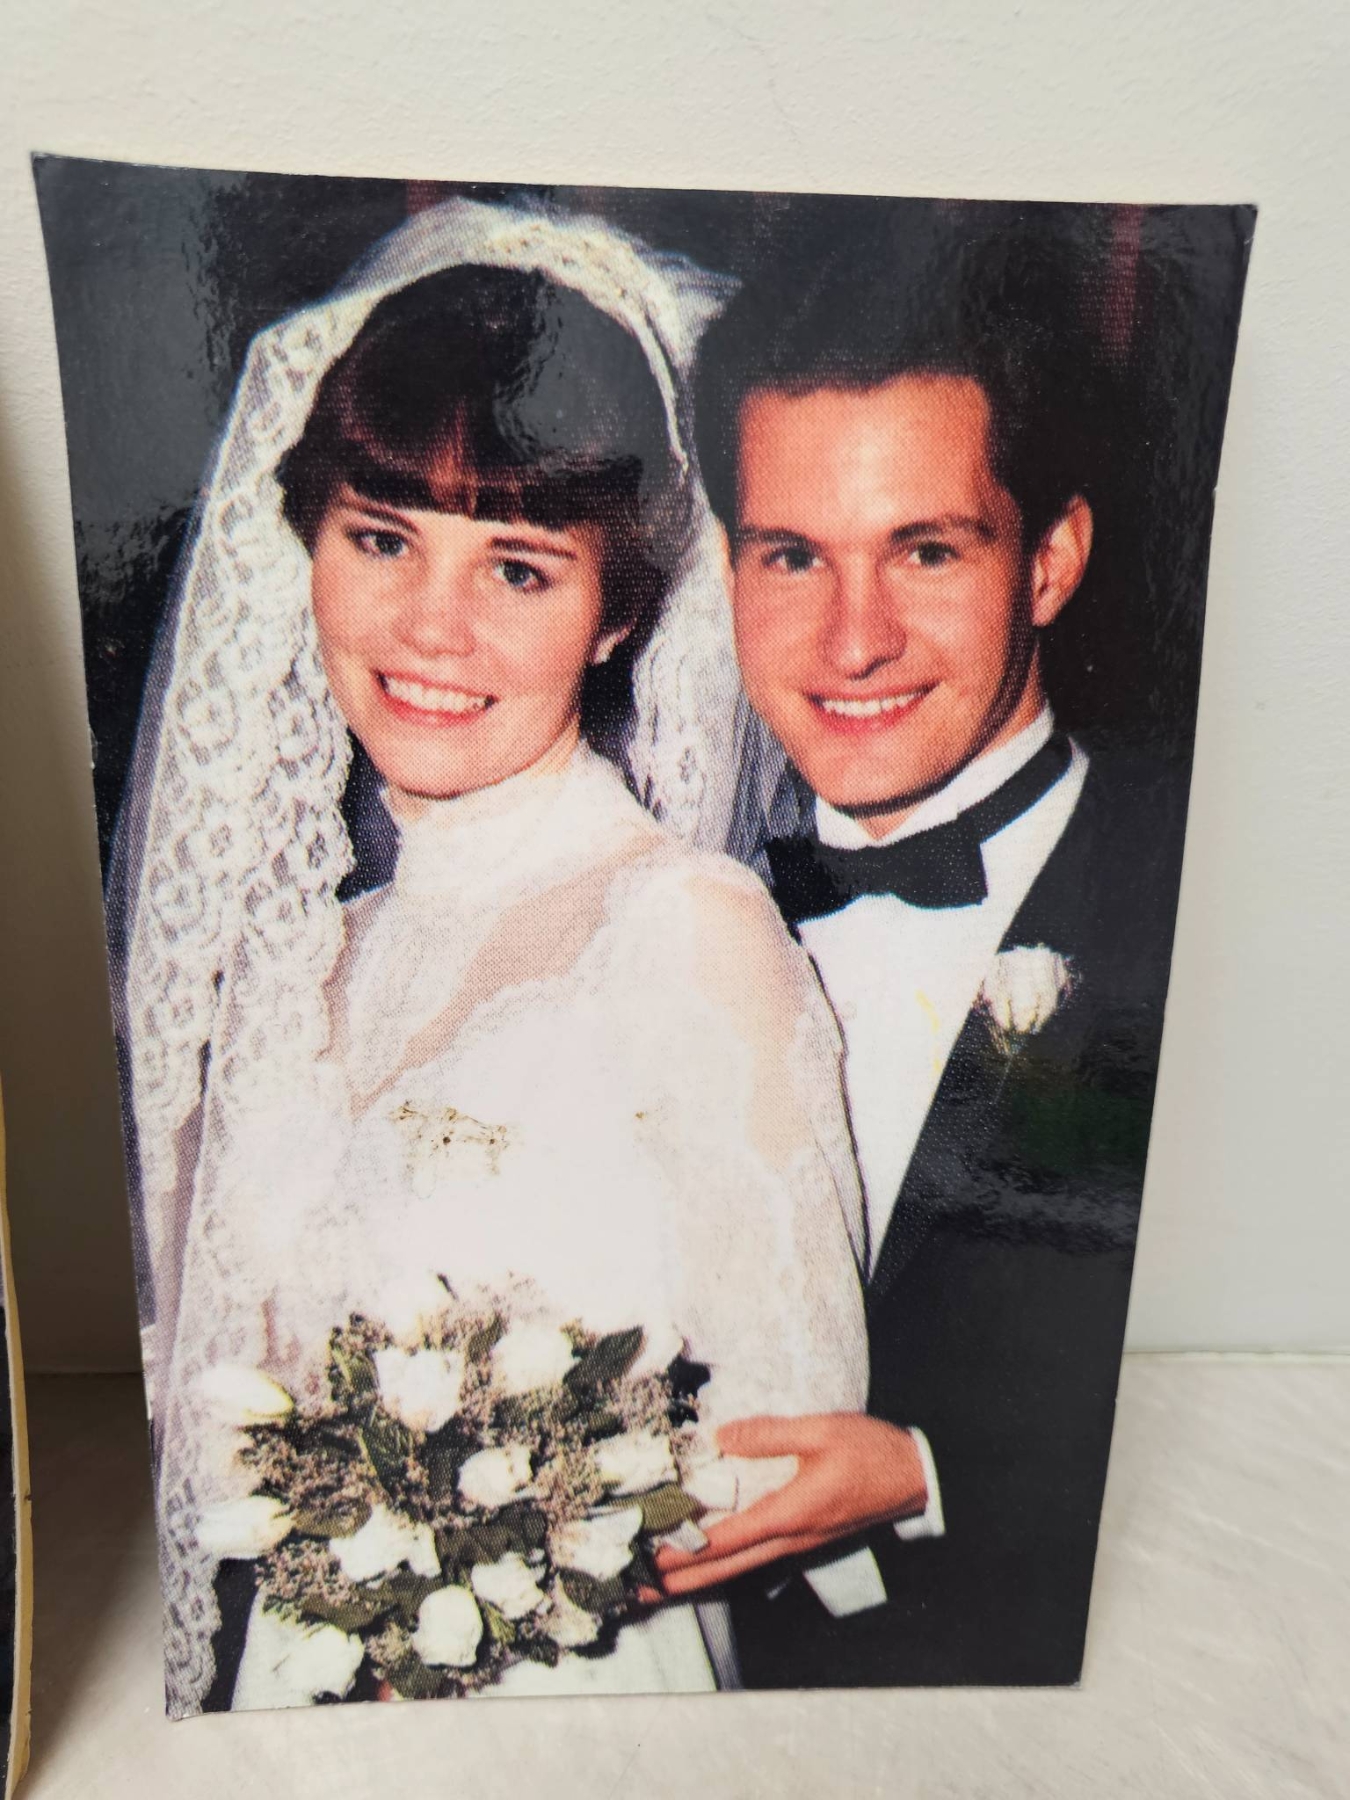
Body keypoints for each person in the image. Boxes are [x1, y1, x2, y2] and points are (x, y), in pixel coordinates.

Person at [112, 201, 872, 1716]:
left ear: (616, 612)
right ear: (307, 547)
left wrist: (498, 1559)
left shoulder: (686, 932)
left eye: (517, 569)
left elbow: (800, 1454)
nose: (430, 628)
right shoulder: (296, 965)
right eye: (381, 539)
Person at [660, 244, 1190, 1686]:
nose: (854, 642)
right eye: (792, 556)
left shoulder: (1189, 897)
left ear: (1050, 562)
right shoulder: (672, 922)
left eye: (927, 551)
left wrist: (928, 1470)